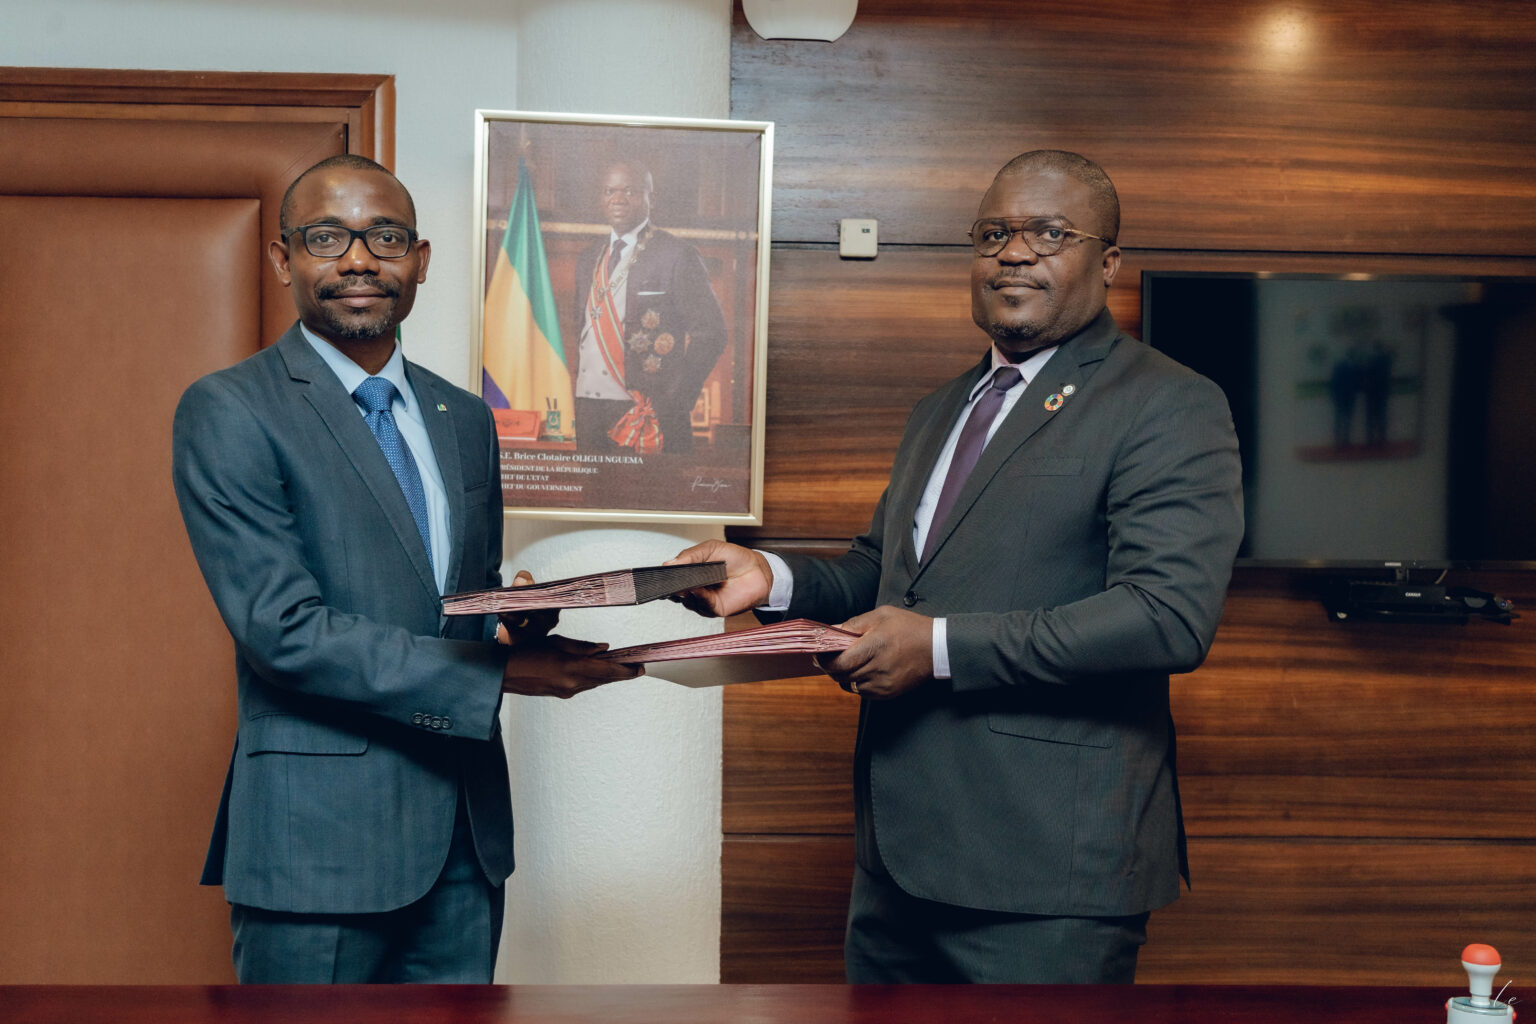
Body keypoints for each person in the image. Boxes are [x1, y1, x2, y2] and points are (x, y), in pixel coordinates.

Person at [670, 151, 1244, 983]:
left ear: (1109, 262)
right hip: (895, 866)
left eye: (1050, 233)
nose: (1014, 253)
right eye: (993, 234)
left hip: (1048, 878)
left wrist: (937, 648)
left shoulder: (1167, 402)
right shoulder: (941, 409)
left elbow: (1166, 617)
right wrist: (770, 576)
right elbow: (887, 573)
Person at [171, 154, 636, 984]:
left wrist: (517, 619)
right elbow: (283, 633)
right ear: (283, 259)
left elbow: (454, 603)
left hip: (464, 838)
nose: (358, 259)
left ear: (419, 260)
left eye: (384, 237)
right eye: (327, 237)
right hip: (317, 848)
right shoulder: (232, 408)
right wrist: (498, 677)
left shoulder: (466, 418)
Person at [571, 161, 727, 455]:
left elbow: (712, 334)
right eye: (610, 191)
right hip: (590, 411)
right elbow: (580, 335)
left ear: (650, 198)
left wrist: (676, 399)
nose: (618, 199)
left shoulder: (676, 255)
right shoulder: (588, 258)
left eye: (629, 191)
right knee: (593, 486)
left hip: (647, 413)